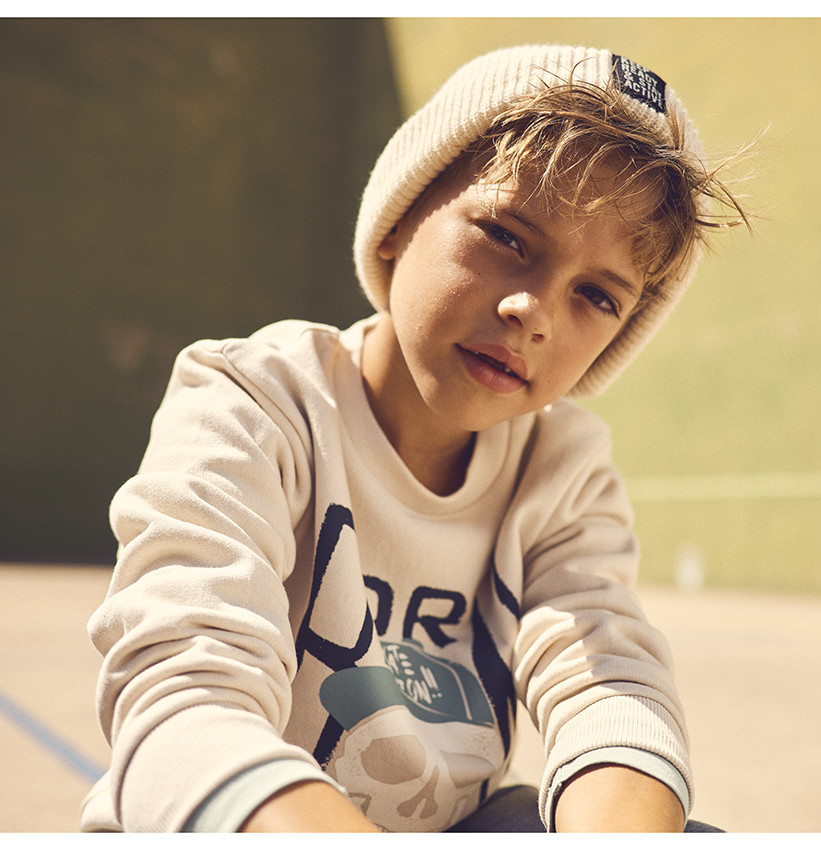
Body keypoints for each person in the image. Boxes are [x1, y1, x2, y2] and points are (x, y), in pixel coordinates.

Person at [80, 44, 749, 833]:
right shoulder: (253, 400)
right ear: (397, 223)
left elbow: (610, 692)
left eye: (596, 296)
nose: (535, 311)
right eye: (507, 237)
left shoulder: (562, 469)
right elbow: (184, 698)